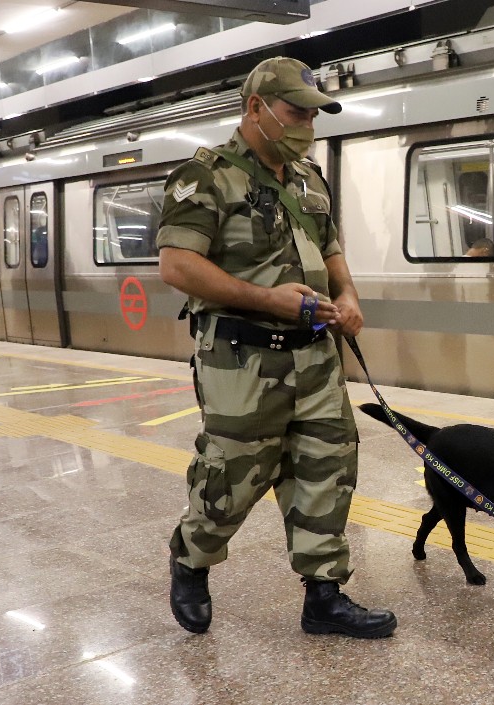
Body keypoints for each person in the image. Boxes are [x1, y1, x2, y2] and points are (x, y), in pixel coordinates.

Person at [156, 56, 397, 639]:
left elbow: (333, 253)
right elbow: (177, 265)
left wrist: (348, 298)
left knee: (326, 465)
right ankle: (191, 558)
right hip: (242, 357)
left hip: (316, 354)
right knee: (235, 473)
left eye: (313, 115)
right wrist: (269, 301)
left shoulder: (309, 180)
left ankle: (324, 596)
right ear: (255, 108)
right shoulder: (205, 178)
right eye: (295, 112)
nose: (306, 125)